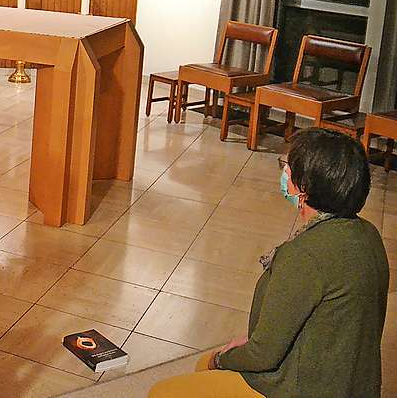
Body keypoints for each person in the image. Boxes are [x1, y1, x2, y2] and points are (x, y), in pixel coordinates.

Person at [149, 128, 389, 398]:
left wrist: (220, 359)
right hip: (354, 386)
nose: (284, 173)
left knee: (170, 387)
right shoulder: (368, 233)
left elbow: (263, 356)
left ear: (304, 188)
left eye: (288, 167)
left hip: (301, 389)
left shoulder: (304, 255)